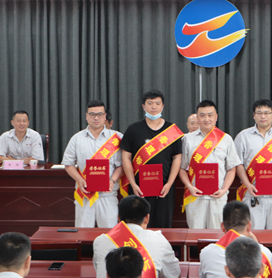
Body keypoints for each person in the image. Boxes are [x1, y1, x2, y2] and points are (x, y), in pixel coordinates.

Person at [120, 89, 183, 228]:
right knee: (137, 229)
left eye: (157, 103)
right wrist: (133, 184)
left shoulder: (172, 130)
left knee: (163, 228)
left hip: (164, 190)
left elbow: (177, 158)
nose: (154, 107)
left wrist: (169, 184)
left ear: (163, 106)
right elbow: (126, 158)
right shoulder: (133, 129)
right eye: (150, 103)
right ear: (143, 106)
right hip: (139, 189)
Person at [179, 100, 242, 229]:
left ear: (216, 117)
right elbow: (182, 168)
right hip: (195, 197)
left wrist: (224, 189)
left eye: (210, 115)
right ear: (197, 117)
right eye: (202, 115)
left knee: (217, 234)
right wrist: (190, 187)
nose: (206, 119)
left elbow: (231, 169)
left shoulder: (226, 139)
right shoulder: (187, 139)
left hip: (218, 196)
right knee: (195, 235)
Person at [61, 100, 124, 228]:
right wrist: (80, 180)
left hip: (107, 195)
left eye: (100, 114)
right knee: (83, 234)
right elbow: (68, 164)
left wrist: (112, 180)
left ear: (105, 116)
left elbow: (122, 165)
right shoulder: (77, 138)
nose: (96, 118)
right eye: (92, 114)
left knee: (109, 233)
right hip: (85, 194)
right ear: (86, 116)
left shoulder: (116, 138)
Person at [234, 99, 272, 230]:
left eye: (266, 113)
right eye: (259, 113)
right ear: (253, 115)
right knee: (253, 236)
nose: (263, 116)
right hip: (253, 194)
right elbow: (238, 164)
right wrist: (247, 184)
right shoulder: (243, 136)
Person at [93, 195, 180, 278]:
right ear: (147, 218)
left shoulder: (100, 241)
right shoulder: (158, 240)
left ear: (118, 218)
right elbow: (174, 274)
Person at [199, 201, 272, 278]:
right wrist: (255, 242)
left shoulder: (206, 253)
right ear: (249, 226)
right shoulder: (265, 253)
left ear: (222, 226)